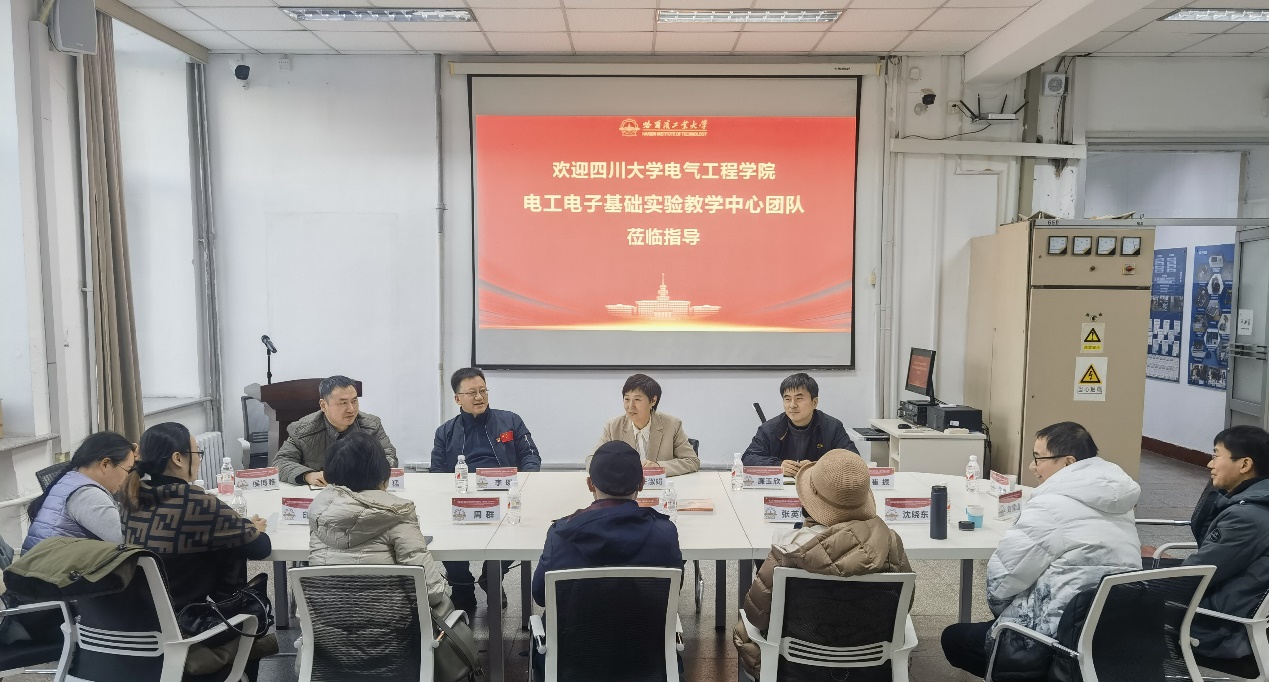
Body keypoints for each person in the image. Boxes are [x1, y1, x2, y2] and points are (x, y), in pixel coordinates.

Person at [940, 422, 1141, 678]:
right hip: (1114, 632)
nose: (1032, 466)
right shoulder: (1119, 500)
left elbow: (1003, 581)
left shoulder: (1050, 505)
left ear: (1068, 463)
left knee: (954, 638)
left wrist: (1008, 613)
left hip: (1055, 642)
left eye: (1038, 458)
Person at [733, 449, 913, 679]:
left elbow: (757, 616)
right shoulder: (890, 543)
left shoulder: (789, 549)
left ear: (806, 502)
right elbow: (903, 606)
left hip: (792, 668)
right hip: (872, 668)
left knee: (743, 629)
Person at [123, 422, 277, 679]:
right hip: (191, 624)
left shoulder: (131, 499)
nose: (199, 460)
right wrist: (250, 528)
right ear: (178, 459)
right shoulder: (198, 503)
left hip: (138, 625)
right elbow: (261, 548)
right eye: (197, 453)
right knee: (253, 610)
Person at [306, 431, 458, 674]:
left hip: (328, 648)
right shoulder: (397, 515)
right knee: (444, 603)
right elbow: (431, 593)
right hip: (392, 648)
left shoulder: (320, 515)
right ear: (383, 474)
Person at [532, 441, 684, 678]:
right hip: (647, 664)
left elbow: (541, 595)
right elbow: (673, 590)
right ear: (642, 484)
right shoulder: (664, 534)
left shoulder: (562, 535)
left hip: (573, 667)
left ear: (590, 484)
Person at [432, 367, 542, 615]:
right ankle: (462, 586)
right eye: (472, 392)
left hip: (505, 494)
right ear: (457, 398)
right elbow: (437, 472)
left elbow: (530, 455)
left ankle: (492, 576)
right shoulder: (445, 432)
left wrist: (524, 482)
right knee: (445, 532)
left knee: (521, 530)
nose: (479, 397)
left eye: (483, 390)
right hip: (463, 497)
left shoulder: (510, 421)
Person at [1180, 425, 1269, 675]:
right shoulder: (1254, 505)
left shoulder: (1247, 518)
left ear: (1244, 464)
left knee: (1105, 605)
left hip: (1217, 629)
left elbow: (1192, 576)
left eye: (1216, 455)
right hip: (1234, 610)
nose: (1210, 464)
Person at [22, 432, 139, 552]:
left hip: (46, 560)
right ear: (105, 464)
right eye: (128, 470)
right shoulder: (87, 495)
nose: (128, 477)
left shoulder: (73, 478)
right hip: (51, 563)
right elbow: (130, 542)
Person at [275, 375, 398, 486]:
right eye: (343, 403)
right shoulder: (301, 430)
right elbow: (280, 462)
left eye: (354, 401)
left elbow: (389, 456)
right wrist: (308, 475)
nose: (351, 409)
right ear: (323, 405)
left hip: (362, 492)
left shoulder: (372, 425)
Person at [742, 373, 859, 476]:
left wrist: (818, 466)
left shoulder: (832, 427)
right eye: (787, 399)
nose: (792, 405)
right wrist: (777, 465)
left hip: (818, 487)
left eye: (799, 398)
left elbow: (853, 460)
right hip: (782, 488)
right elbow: (748, 458)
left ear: (814, 402)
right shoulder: (769, 429)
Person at [592, 373, 699, 476]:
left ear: (653, 401)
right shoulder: (613, 427)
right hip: (625, 487)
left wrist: (658, 467)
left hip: (661, 486)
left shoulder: (672, 425)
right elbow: (592, 460)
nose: (631, 406)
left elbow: (692, 461)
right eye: (627, 399)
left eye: (637, 399)